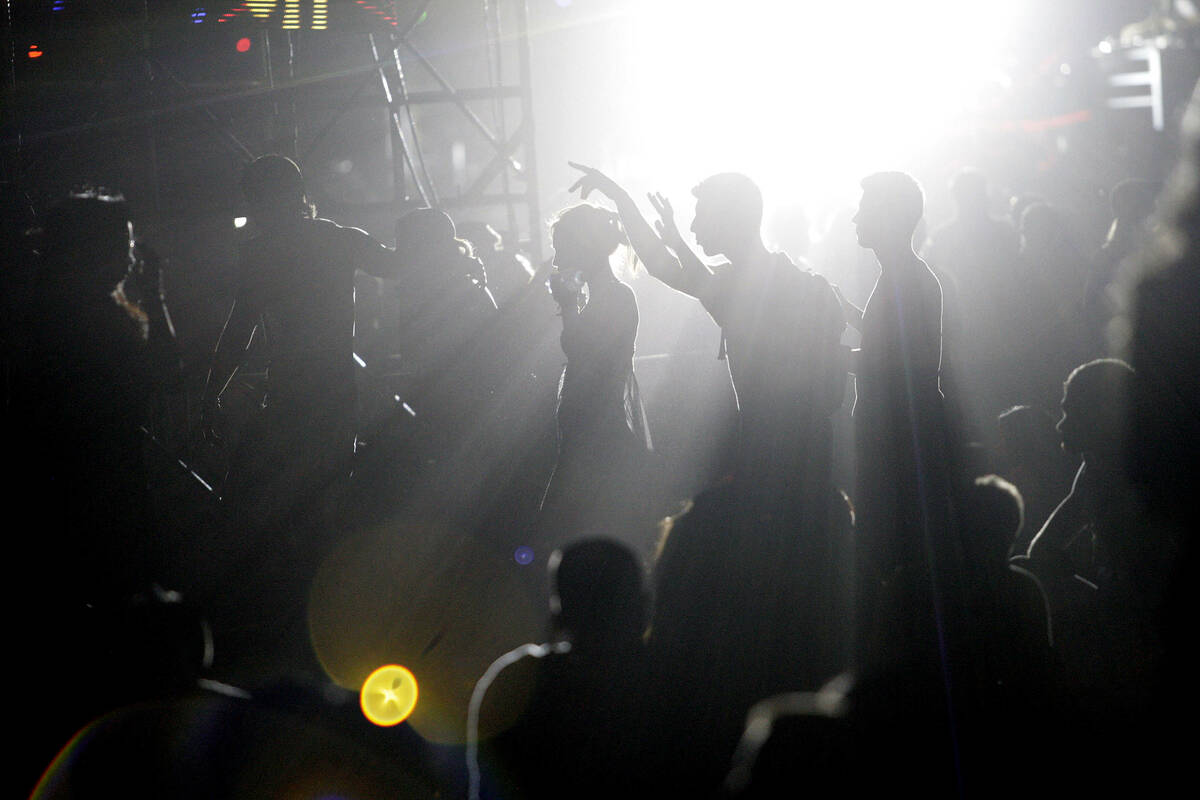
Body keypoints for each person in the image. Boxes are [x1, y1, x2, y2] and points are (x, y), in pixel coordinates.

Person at [566, 163, 846, 516]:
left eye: (701, 216)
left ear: (729, 221)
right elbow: (678, 269)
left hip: (776, 456)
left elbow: (664, 266)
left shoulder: (747, 289)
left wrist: (622, 198)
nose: (694, 226)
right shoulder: (785, 279)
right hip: (805, 450)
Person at [201, 154, 400, 534]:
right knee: (326, 499)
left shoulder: (259, 255)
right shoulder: (342, 239)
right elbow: (400, 265)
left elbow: (238, 332)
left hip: (287, 389)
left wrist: (212, 396)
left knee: (256, 499)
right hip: (334, 390)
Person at [837, 172, 956, 673]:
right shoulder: (903, 276)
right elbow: (893, 342)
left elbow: (900, 363)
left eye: (864, 206)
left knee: (889, 555)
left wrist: (823, 351)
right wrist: (840, 310)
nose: (855, 216)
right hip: (900, 438)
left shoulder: (907, 278)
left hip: (898, 446)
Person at [537, 203, 652, 541]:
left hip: (598, 433)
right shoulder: (603, 298)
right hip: (588, 430)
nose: (557, 262)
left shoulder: (615, 297)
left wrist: (568, 305)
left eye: (562, 250)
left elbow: (581, 352)